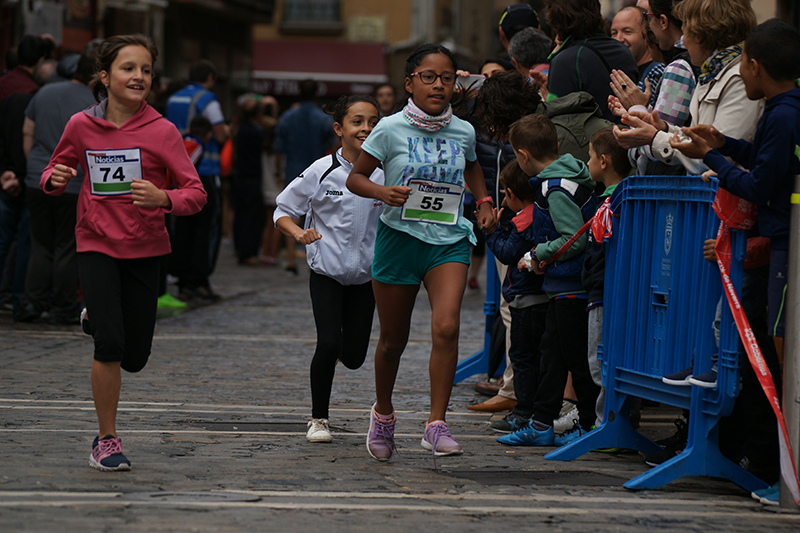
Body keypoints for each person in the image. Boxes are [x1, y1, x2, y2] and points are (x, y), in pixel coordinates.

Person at [40, 34, 206, 471]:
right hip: (95, 242)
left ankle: (97, 314)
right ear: (104, 76)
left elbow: (195, 193)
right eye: (129, 68)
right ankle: (106, 440)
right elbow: (55, 171)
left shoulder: (163, 130)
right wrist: (54, 178)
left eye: (146, 70)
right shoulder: (81, 125)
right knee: (110, 346)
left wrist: (163, 198)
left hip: (145, 248)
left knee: (135, 357)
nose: (139, 77)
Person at [667, 19, 800, 503]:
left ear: (755, 66)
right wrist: (724, 146)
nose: (738, 71)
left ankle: (777, 472)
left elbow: (758, 185)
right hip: (777, 247)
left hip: (783, 249)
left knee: (775, 357)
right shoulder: (780, 109)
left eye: (742, 61)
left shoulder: (785, 113)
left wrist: (713, 160)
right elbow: (763, 160)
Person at [346, 44, 497, 462]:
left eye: (447, 77)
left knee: (447, 327)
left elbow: (472, 167)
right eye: (428, 77)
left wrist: (483, 202)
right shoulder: (389, 129)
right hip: (399, 240)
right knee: (393, 340)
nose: (438, 85)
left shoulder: (463, 130)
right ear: (410, 82)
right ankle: (383, 414)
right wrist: (382, 192)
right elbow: (356, 178)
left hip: (448, 239)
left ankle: (436, 424)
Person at [274, 95, 384, 443]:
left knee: (353, 357)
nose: (365, 128)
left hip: (367, 278)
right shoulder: (322, 170)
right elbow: (281, 211)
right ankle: (318, 419)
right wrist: (300, 234)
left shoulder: (385, 173)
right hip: (326, 273)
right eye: (357, 121)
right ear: (339, 129)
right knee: (328, 342)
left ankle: (335, 356)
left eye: (372, 122)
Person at [496, 114, 599, 448]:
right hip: (561, 286)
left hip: (571, 286)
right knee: (553, 358)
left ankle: (589, 423)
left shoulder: (554, 188)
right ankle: (541, 423)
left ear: (523, 156)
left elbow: (573, 239)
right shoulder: (561, 178)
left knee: (573, 359)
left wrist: (539, 253)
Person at [613, 0, 760, 177]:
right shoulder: (712, 74)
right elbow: (703, 143)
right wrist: (666, 129)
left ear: (701, 35)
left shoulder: (738, 79)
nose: (682, 41)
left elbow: (714, 156)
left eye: (686, 28)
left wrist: (653, 137)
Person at [16, 50, 96, 324]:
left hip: (39, 179)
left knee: (40, 244)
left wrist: (38, 169)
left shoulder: (45, 92)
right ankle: (63, 306)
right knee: (66, 246)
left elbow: (28, 134)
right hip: (75, 183)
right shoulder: (97, 102)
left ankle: (31, 303)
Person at [482, 159, 547, 435]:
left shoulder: (523, 220)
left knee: (522, 358)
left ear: (511, 194)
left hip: (525, 299)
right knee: (535, 358)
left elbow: (508, 253)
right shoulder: (541, 213)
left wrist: (492, 231)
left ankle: (523, 412)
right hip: (540, 298)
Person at [166, 59, 229, 300]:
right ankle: (199, 280)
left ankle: (182, 279)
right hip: (206, 172)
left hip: (180, 170)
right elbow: (220, 132)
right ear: (210, 77)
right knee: (206, 229)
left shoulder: (174, 99)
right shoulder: (207, 100)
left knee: (183, 228)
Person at [581, 126, 631, 426]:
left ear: (603, 161)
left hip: (604, 293)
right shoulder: (616, 199)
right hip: (603, 289)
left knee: (600, 361)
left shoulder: (616, 203)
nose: (586, 164)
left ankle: (608, 424)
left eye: (588, 157)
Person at [274, 79, 334, 275]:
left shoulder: (288, 117)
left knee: (292, 214)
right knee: (320, 214)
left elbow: (278, 147)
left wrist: (277, 171)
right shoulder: (323, 118)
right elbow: (333, 144)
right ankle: (316, 258)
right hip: (319, 170)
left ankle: (291, 258)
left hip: (294, 168)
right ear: (317, 93)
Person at [543, 0, 639, 122]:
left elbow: (557, 124)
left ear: (555, 18)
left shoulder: (564, 61)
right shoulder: (623, 51)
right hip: (630, 135)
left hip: (593, 140)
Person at [232, 96, 266, 266]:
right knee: (251, 217)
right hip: (251, 177)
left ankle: (241, 248)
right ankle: (248, 251)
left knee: (241, 215)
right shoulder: (254, 131)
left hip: (241, 176)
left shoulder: (240, 129)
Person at [610, 5, 663, 108]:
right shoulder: (623, 71)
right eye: (614, 33)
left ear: (645, 33)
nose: (618, 39)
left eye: (627, 31)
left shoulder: (656, 71)